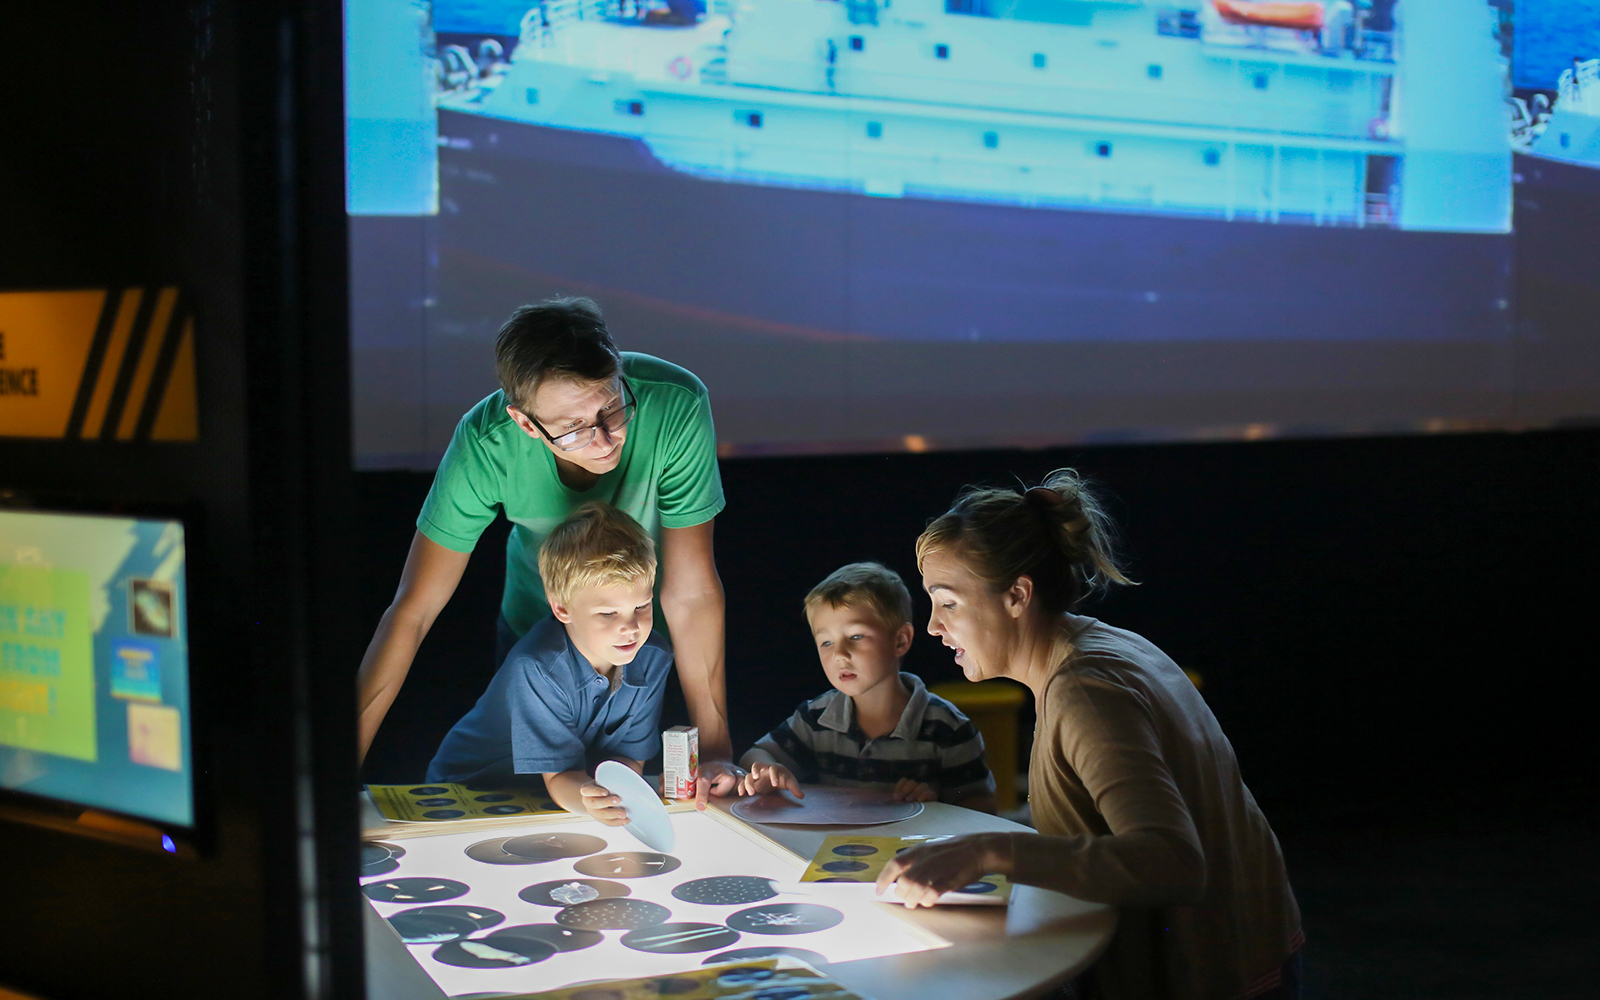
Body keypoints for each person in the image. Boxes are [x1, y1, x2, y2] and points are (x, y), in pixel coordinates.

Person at [878, 470, 1303, 1000]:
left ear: (1016, 595)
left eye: (949, 602)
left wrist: (991, 851)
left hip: (1218, 976)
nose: (935, 627)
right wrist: (969, 836)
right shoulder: (1101, 647)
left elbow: (1173, 862)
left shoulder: (1085, 692)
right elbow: (1091, 816)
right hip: (1252, 949)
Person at [357, 297, 740, 805]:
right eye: (573, 427)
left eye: (611, 408)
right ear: (524, 423)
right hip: (534, 635)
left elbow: (690, 591)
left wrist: (715, 748)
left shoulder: (675, 403)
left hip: (639, 633)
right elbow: (413, 611)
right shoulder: (485, 443)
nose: (603, 440)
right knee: (527, 796)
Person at [426, 503, 669, 825]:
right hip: (467, 792)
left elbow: (626, 759)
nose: (631, 626)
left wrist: (611, 797)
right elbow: (560, 778)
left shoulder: (654, 657)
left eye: (641, 605)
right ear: (562, 609)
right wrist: (593, 801)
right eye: (608, 613)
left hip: (556, 798)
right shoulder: (537, 667)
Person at [738, 562, 996, 811]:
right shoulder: (815, 717)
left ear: (900, 640)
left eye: (856, 636)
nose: (840, 654)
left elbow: (982, 808)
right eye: (826, 643)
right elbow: (756, 753)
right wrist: (768, 770)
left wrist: (934, 806)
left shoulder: (949, 728)